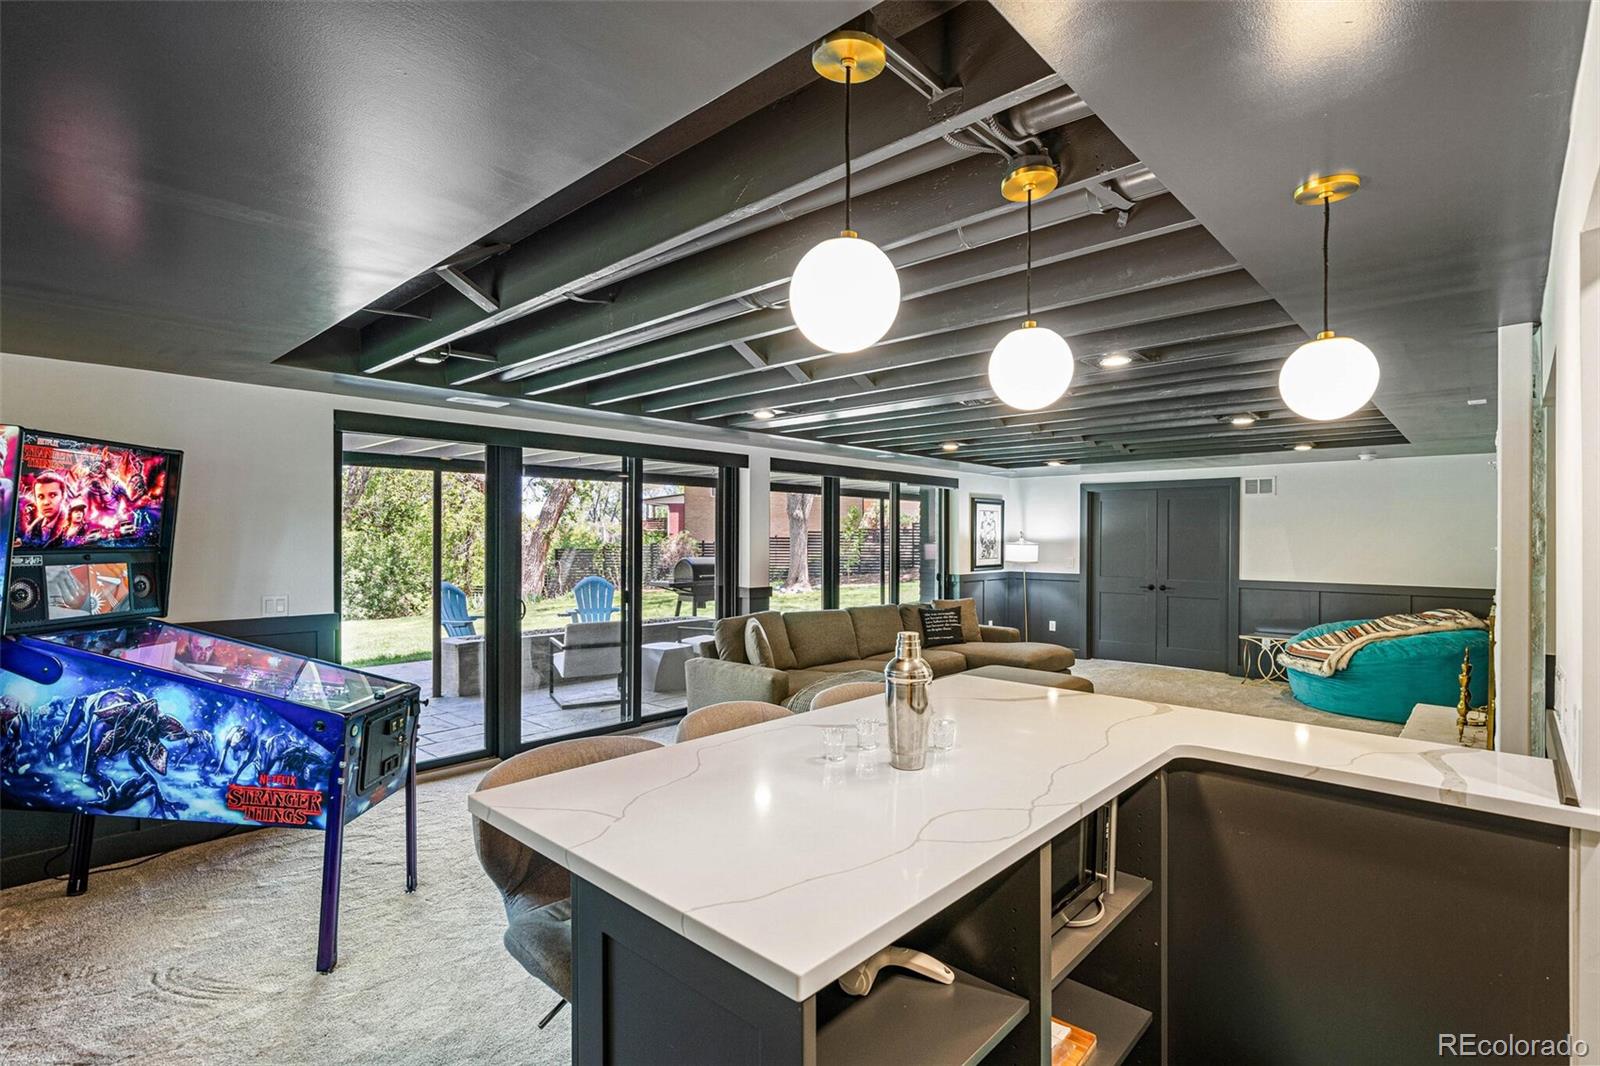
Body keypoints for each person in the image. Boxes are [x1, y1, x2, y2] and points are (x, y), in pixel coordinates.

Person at [22, 471, 74, 546]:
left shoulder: (70, 524)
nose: (46, 502)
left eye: (53, 495)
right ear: (35, 500)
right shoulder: (34, 527)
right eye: (40, 497)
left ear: (63, 496)